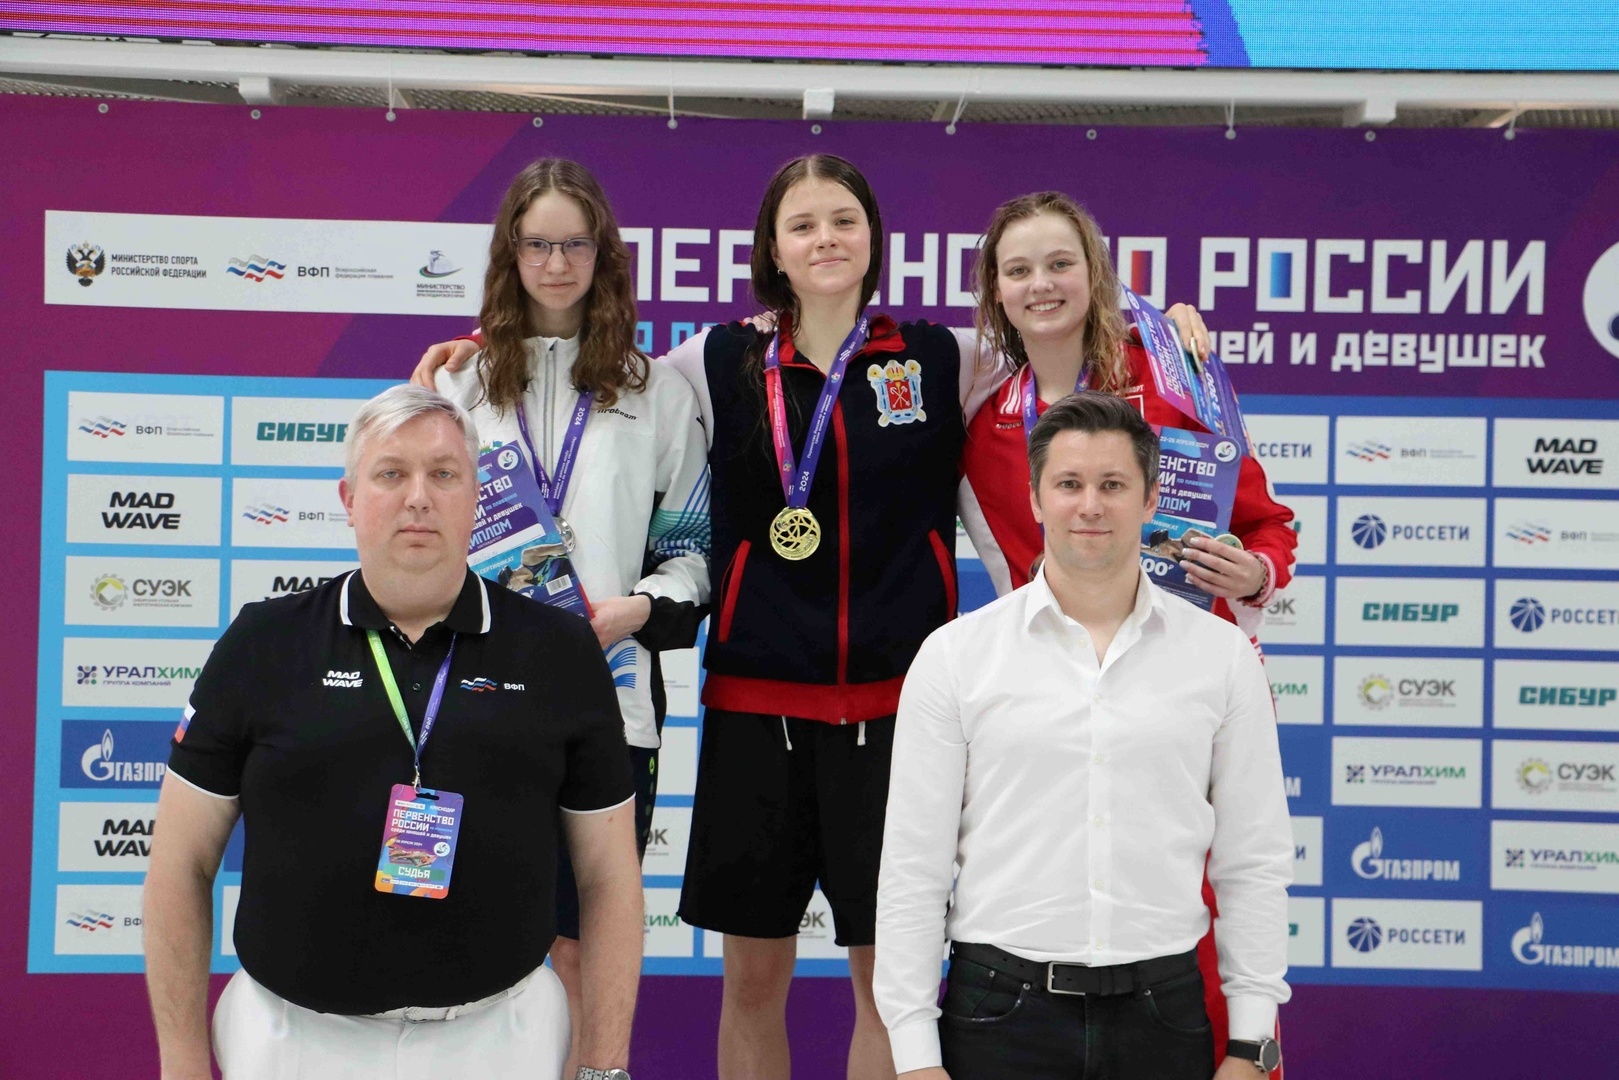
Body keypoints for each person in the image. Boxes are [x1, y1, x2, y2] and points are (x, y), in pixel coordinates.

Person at [410, 158, 1210, 1080]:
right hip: (757, 713)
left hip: (898, 714)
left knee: (887, 985)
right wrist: (480, 343)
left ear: (872, 237)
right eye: (802, 225)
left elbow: (1055, 337)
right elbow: (584, 349)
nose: (824, 239)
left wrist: (1161, 333)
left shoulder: (942, 356)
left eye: (843, 220)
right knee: (753, 983)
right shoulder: (714, 362)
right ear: (774, 250)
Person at [142, 385, 643, 1080]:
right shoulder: (262, 644)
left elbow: (609, 878)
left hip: (502, 1035)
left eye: (443, 474)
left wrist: (604, 1068)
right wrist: (181, 1064)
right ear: (349, 499)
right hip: (290, 1037)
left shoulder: (559, 652)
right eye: (390, 473)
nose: (418, 498)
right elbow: (179, 865)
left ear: (477, 498)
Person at [955, 191, 1297, 1072]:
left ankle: (1247, 1058)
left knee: (1215, 907)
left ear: (1095, 274)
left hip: (1189, 689)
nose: (1040, 284)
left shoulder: (1171, 375)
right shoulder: (986, 426)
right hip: (1060, 702)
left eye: (1059, 264)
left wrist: (1255, 575)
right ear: (994, 291)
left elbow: (1265, 524)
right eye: (1018, 269)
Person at [875, 391, 1293, 1080]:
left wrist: (1251, 1044)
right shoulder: (956, 657)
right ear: (1035, 499)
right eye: (1068, 484)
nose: (1090, 506)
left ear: (1151, 499)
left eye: (1113, 485)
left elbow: (1253, 861)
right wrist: (915, 1056)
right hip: (997, 1015)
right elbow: (913, 868)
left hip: (1164, 1015)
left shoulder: (1219, 657)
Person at [429, 157, 710, 1070]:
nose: (556, 264)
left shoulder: (655, 389)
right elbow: (416, 535)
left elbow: (694, 551)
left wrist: (639, 609)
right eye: (538, 244)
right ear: (510, 253)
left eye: (575, 245)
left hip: (609, 697)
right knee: (484, 927)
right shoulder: (460, 387)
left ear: (604, 255)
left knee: (591, 935)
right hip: (474, 694)